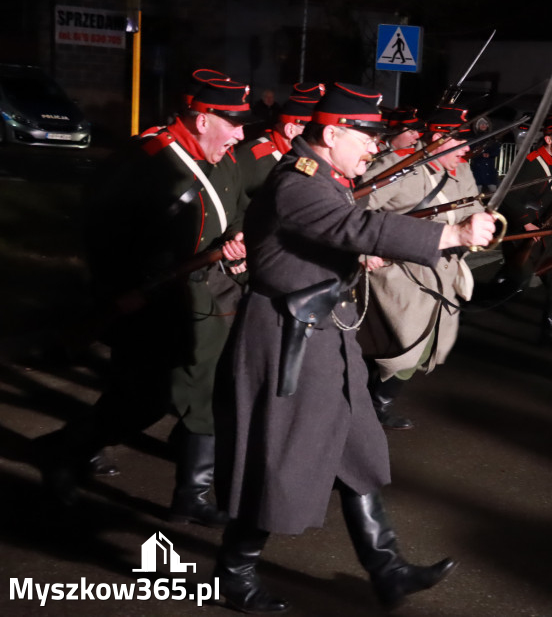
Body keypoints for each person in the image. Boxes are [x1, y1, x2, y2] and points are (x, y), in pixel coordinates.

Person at [212, 83, 495, 614]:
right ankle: (234, 570)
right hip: (287, 338)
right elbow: (350, 224)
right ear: (334, 132)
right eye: (366, 138)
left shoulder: (326, 178)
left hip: (325, 331)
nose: (373, 149)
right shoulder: (299, 182)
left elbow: (333, 236)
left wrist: (355, 259)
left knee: (355, 450)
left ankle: (387, 569)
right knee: (282, 458)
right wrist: (449, 236)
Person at [35, 77, 255, 525]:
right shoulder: (145, 159)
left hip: (205, 298)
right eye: (232, 124)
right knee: (142, 398)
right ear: (202, 119)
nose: (240, 135)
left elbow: (232, 215)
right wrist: (118, 291)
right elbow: (102, 232)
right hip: (150, 300)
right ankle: (61, 451)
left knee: (197, 394)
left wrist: (234, 239)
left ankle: (187, 497)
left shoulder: (223, 160)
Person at [358, 106, 479, 430]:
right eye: (461, 141)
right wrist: (363, 252)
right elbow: (355, 210)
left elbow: (475, 207)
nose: (467, 149)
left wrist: (485, 224)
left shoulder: (461, 170)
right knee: (405, 347)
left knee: (428, 348)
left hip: (445, 272)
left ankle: (375, 402)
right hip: (402, 273)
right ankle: (369, 407)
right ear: (438, 138)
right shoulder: (399, 166)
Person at [495, 114, 552, 344]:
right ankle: (471, 304)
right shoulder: (532, 164)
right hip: (523, 233)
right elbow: (508, 196)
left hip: (544, 234)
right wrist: (526, 222)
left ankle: (551, 329)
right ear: (548, 140)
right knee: (517, 284)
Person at [234, 82, 324, 200]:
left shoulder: (300, 156)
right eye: (311, 131)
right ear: (290, 130)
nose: (318, 138)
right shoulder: (255, 157)